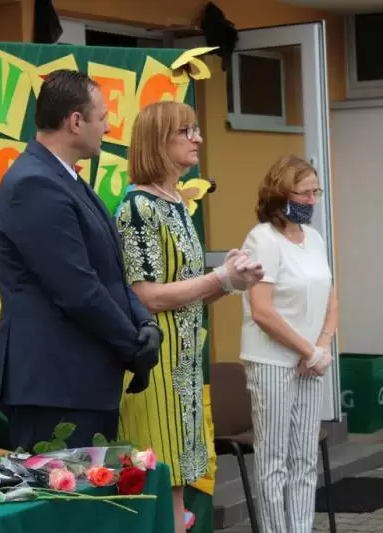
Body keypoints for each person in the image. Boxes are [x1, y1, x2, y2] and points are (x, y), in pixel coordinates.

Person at [0, 70, 162, 450]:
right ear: (75, 122)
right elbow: (77, 288)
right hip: (55, 388)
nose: (108, 127)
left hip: (82, 383)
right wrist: (133, 347)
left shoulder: (67, 180)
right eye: (102, 117)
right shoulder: (34, 184)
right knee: (62, 491)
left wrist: (145, 323)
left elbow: (110, 273)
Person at [116, 100, 263, 533]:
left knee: (178, 490)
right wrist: (219, 277)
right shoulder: (138, 208)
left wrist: (232, 281)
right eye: (186, 131)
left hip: (184, 369)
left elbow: (187, 293)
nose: (197, 138)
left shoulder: (176, 202)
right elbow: (144, 296)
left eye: (196, 129)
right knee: (162, 487)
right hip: (155, 368)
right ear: (157, 141)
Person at [240, 155, 338, 533]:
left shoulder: (314, 238)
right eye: (305, 193)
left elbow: (331, 296)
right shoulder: (262, 239)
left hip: (312, 361)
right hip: (273, 361)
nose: (312, 200)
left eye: (316, 192)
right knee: (273, 461)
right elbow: (262, 311)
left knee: (304, 458)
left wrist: (321, 346)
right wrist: (307, 350)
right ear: (282, 193)